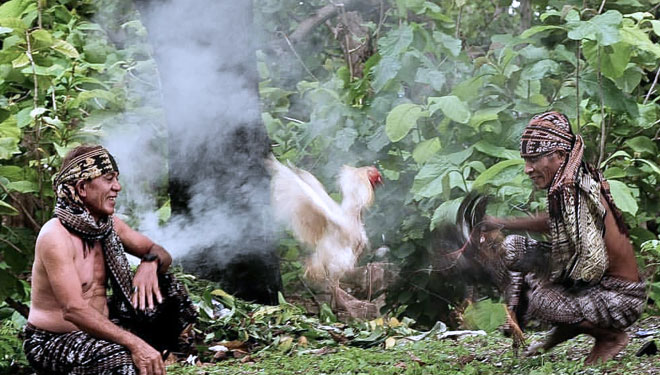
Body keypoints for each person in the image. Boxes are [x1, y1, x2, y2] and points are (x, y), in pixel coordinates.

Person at [482, 112, 646, 364]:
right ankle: (548, 334)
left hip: (621, 298)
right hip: (603, 288)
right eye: (526, 160)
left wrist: (530, 290)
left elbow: (586, 261)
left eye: (534, 160)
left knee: (543, 299)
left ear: (559, 156)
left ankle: (610, 337)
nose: (528, 169)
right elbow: (556, 225)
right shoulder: (570, 182)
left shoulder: (575, 188)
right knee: (514, 248)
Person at [23, 145, 197, 375]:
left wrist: (150, 262)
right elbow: (73, 309)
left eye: (116, 178)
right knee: (122, 362)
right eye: (108, 179)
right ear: (83, 187)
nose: (118, 187)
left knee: (170, 290)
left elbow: (160, 253)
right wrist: (134, 343)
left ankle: (149, 356)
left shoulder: (108, 224)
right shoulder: (55, 236)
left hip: (102, 327)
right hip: (53, 341)